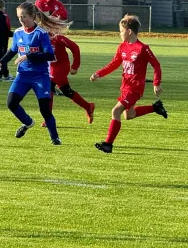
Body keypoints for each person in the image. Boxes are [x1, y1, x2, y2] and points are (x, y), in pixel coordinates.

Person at [90, 14, 168, 154]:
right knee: (129, 115)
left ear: (129, 31)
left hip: (135, 88)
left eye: (121, 31)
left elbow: (156, 65)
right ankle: (155, 108)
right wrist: (99, 73)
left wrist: (156, 83)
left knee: (115, 111)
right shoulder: (122, 47)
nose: (119, 34)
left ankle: (108, 144)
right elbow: (114, 64)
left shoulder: (142, 48)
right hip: (125, 86)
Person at [0, 2, 66, 145]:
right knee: (11, 103)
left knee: (45, 110)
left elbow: (49, 55)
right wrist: (1, 62)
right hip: (23, 75)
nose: (21, 20)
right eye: (19, 17)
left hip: (40, 76)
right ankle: (28, 122)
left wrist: (28, 56)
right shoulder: (18, 32)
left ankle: (55, 138)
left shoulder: (41, 34)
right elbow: (13, 50)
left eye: (24, 17)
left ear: (32, 16)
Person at [42, 33, 95, 127]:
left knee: (48, 87)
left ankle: (48, 119)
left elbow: (75, 47)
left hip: (62, 66)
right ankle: (88, 106)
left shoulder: (58, 38)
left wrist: (75, 66)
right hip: (51, 68)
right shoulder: (39, 36)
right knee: (66, 91)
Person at [35, 0, 68, 96]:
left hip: (55, 35)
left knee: (54, 60)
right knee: (46, 61)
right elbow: (40, 17)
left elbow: (64, 16)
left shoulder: (58, 3)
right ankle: (46, 86)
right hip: (44, 36)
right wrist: (52, 17)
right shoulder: (39, 2)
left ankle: (52, 87)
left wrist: (49, 16)